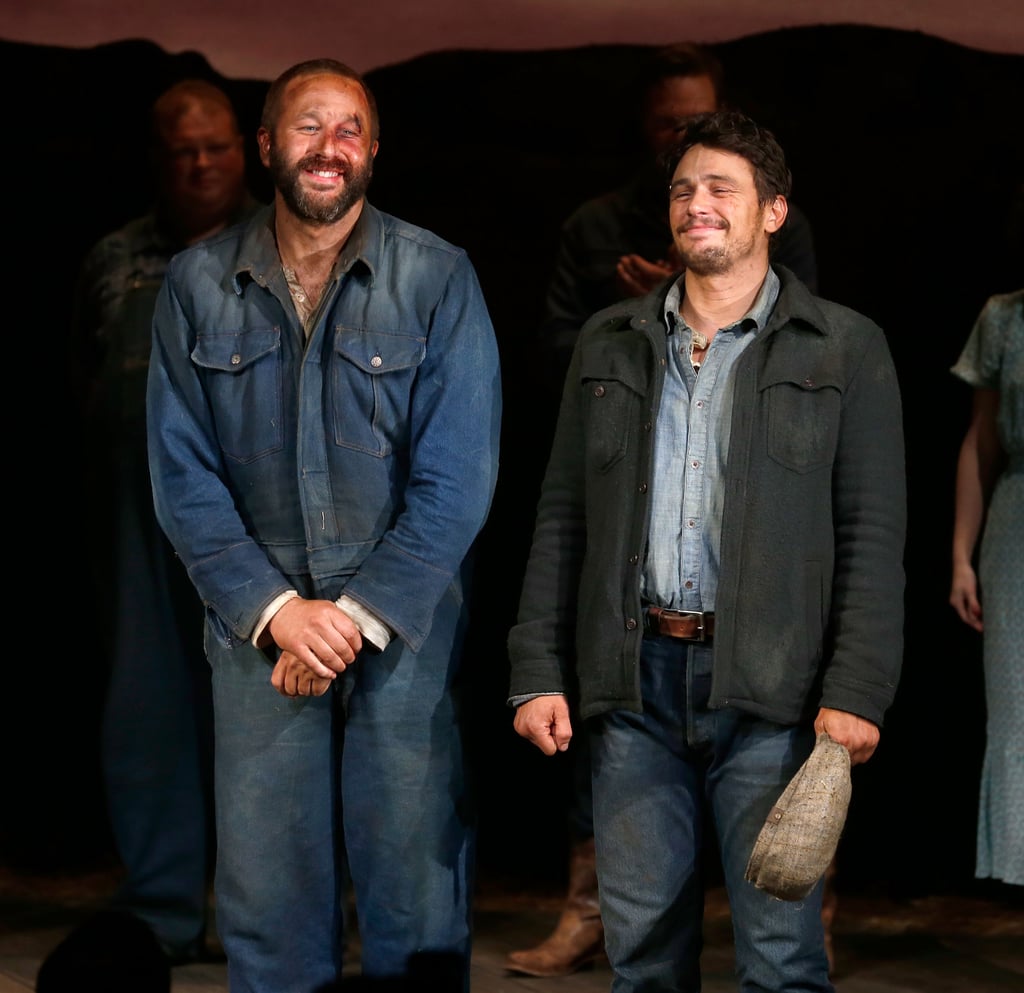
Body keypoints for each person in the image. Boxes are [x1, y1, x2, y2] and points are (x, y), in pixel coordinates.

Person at [507, 110, 906, 992]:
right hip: (633, 687)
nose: (697, 204)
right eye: (684, 189)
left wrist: (856, 690)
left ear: (773, 210)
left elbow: (874, 534)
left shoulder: (845, 346)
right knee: (642, 959)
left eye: (722, 187)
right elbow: (563, 513)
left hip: (776, 693)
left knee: (780, 959)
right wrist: (536, 666)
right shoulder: (609, 341)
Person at [145, 58, 502, 992]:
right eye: (309, 127)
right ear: (267, 146)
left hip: (401, 625)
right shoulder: (194, 284)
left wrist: (349, 616)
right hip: (256, 627)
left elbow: (460, 476)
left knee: (415, 887)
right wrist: (277, 610)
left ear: (374, 151)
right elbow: (181, 476)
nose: (329, 147)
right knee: (267, 897)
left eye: (349, 130)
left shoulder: (438, 276)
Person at [65, 78, 259, 965]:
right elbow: (84, 377)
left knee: (262, 713)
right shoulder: (114, 257)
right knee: (145, 708)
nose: (201, 163)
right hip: (136, 518)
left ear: (244, 151)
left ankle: (268, 904)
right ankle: (162, 908)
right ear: (157, 158)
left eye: (216, 146)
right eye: (183, 148)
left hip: (251, 518)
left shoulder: (273, 244)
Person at [536, 42, 818, 400]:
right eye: (667, 125)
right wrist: (644, 315)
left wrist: (679, 299)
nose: (683, 138)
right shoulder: (594, 226)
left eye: (697, 122)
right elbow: (556, 355)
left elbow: (805, 349)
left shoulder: (774, 222)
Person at [949, 288, 1023, 890]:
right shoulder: (1005, 317)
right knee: (1017, 720)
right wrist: (961, 557)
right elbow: (982, 438)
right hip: (1015, 531)